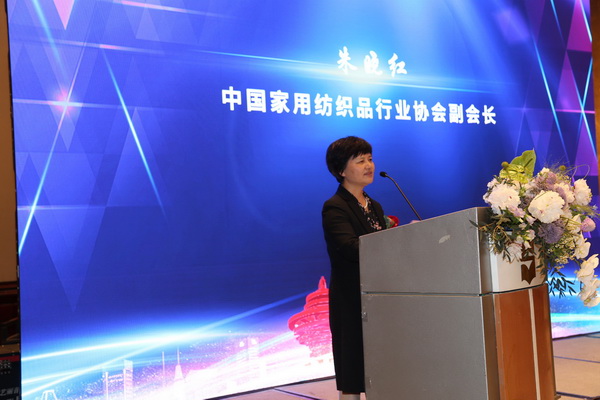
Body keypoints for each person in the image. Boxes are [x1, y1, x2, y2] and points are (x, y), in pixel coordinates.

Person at [322, 136, 388, 400]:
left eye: (370, 159)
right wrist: (393, 242)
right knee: (353, 373)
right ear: (341, 170)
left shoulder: (374, 206)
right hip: (350, 301)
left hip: (378, 299)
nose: (369, 166)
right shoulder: (335, 207)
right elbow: (350, 247)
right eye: (360, 161)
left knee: (380, 369)